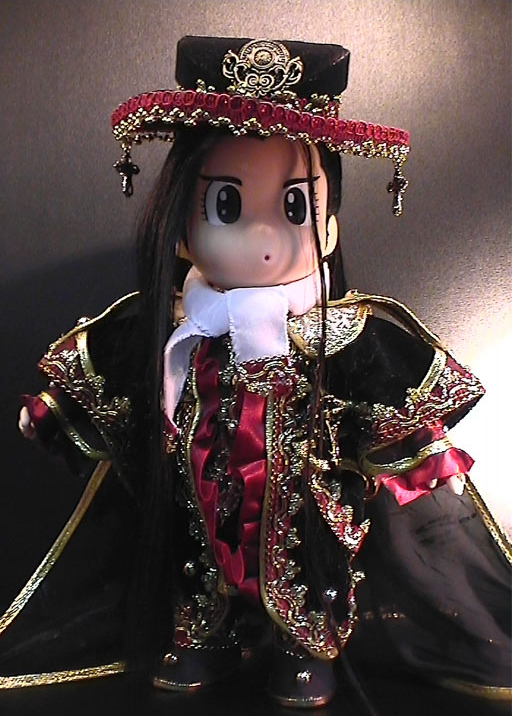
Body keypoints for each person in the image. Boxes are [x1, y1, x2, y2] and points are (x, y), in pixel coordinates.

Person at [5, 37, 511, 707]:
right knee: (194, 560)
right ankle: (205, 636)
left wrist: (416, 448)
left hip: (304, 509)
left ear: (329, 227)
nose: (263, 237)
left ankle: (304, 647)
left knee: (309, 564)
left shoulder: (343, 333)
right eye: (227, 207)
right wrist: (51, 407)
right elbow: (109, 364)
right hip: (200, 497)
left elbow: (391, 394)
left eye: (295, 207)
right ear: (181, 223)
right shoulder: (176, 331)